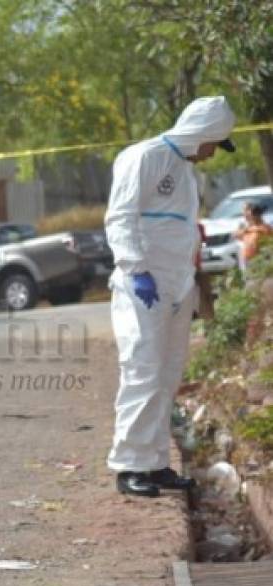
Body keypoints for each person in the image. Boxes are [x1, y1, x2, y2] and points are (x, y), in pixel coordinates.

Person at [105, 96, 236, 497]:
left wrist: (191, 284)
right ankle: (129, 466)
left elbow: (179, 230)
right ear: (204, 135)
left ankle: (155, 462)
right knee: (142, 371)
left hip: (177, 286)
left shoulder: (184, 172)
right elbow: (120, 216)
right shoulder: (144, 158)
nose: (213, 153)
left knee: (167, 375)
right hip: (142, 286)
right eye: (215, 144)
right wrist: (135, 269)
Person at [235, 202, 272, 271]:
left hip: (261, 261)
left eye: (250, 214)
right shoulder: (246, 228)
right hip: (247, 260)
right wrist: (245, 229)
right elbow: (236, 235)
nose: (248, 216)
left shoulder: (265, 228)